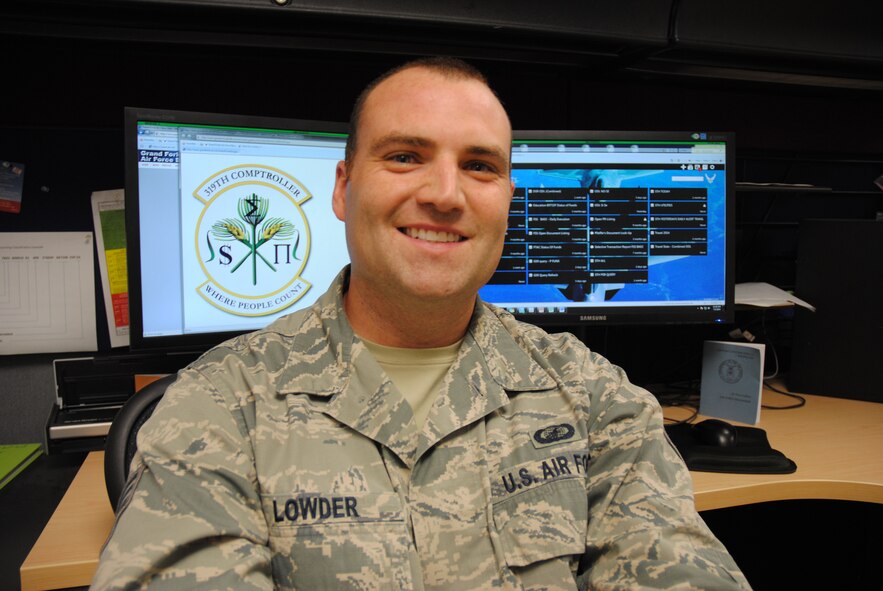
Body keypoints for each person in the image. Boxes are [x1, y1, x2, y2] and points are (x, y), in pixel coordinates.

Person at [92, 57, 750, 590]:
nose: (444, 194)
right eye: (405, 156)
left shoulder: (591, 394)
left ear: (507, 199)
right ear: (342, 187)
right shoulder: (218, 405)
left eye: (479, 165)